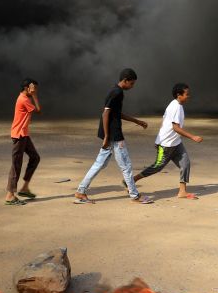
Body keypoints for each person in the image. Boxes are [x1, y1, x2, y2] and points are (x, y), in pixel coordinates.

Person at [74, 68, 153, 204]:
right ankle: (135, 196)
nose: (132, 86)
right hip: (114, 136)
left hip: (111, 135)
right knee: (126, 166)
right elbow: (105, 114)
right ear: (125, 80)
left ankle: (81, 192)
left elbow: (116, 113)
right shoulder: (117, 92)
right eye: (132, 84)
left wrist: (137, 121)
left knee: (99, 164)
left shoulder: (115, 91)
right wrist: (106, 136)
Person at [133, 83, 203, 199]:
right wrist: (193, 137)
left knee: (185, 164)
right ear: (179, 95)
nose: (188, 96)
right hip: (165, 145)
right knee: (157, 167)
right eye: (186, 94)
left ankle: (182, 192)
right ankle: (132, 180)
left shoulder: (177, 105)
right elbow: (176, 128)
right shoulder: (175, 107)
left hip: (176, 143)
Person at [5, 78, 41, 205]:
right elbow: (38, 110)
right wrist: (35, 95)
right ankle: (10, 195)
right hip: (19, 135)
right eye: (34, 88)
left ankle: (25, 188)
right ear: (27, 88)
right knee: (16, 164)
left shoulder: (24, 97)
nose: (35, 90)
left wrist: (33, 93)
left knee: (35, 158)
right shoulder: (24, 99)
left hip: (24, 134)